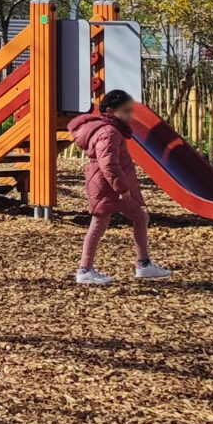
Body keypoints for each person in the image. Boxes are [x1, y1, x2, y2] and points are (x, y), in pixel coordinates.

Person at [66, 88, 172, 286]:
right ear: (110, 111)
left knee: (139, 217)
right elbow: (109, 164)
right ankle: (86, 270)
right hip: (108, 186)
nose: (129, 115)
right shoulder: (109, 132)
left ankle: (144, 264)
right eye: (125, 111)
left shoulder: (111, 129)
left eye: (130, 110)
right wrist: (122, 188)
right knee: (99, 224)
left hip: (105, 184)